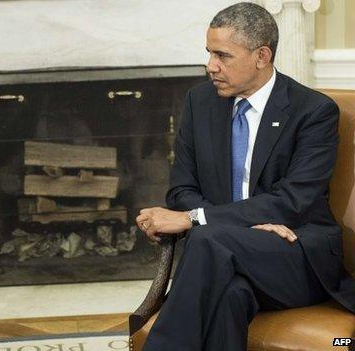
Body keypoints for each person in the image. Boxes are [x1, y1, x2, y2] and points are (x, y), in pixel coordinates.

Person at [136, 2, 355, 350]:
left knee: (207, 239)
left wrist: (199, 220)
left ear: (261, 56)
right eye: (209, 53)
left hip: (295, 256)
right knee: (230, 296)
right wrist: (238, 228)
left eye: (223, 55)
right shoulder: (200, 102)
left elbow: (293, 201)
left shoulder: (312, 111)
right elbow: (181, 189)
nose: (211, 66)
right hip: (225, 255)